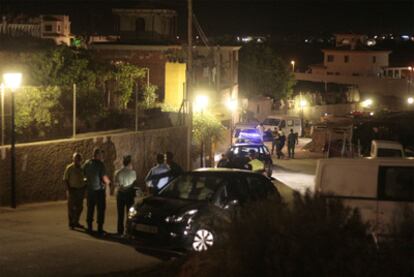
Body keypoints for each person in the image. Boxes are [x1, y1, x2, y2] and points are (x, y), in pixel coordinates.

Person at [83, 148, 110, 235]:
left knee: (90, 209)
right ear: (97, 155)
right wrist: (109, 183)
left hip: (90, 191)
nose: (102, 156)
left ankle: (89, 227)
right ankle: (99, 229)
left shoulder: (87, 163)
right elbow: (104, 177)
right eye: (100, 155)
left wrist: (86, 181)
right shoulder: (100, 164)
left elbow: (82, 174)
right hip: (99, 191)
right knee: (101, 209)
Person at [114, 155, 136, 236]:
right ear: (129, 163)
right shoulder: (133, 173)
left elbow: (116, 184)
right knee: (129, 214)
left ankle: (120, 231)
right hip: (129, 195)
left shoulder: (118, 172)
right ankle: (128, 231)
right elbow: (134, 183)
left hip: (120, 195)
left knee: (120, 214)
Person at [63, 152, 86, 230]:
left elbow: (85, 178)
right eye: (76, 158)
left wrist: (84, 186)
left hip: (80, 190)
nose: (78, 160)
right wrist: (68, 189)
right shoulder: (69, 168)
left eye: (79, 159)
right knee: (71, 207)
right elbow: (65, 179)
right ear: (73, 159)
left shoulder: (82, 168)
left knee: (80, 207)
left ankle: (76, 221)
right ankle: (71, 223)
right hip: (72, 189)